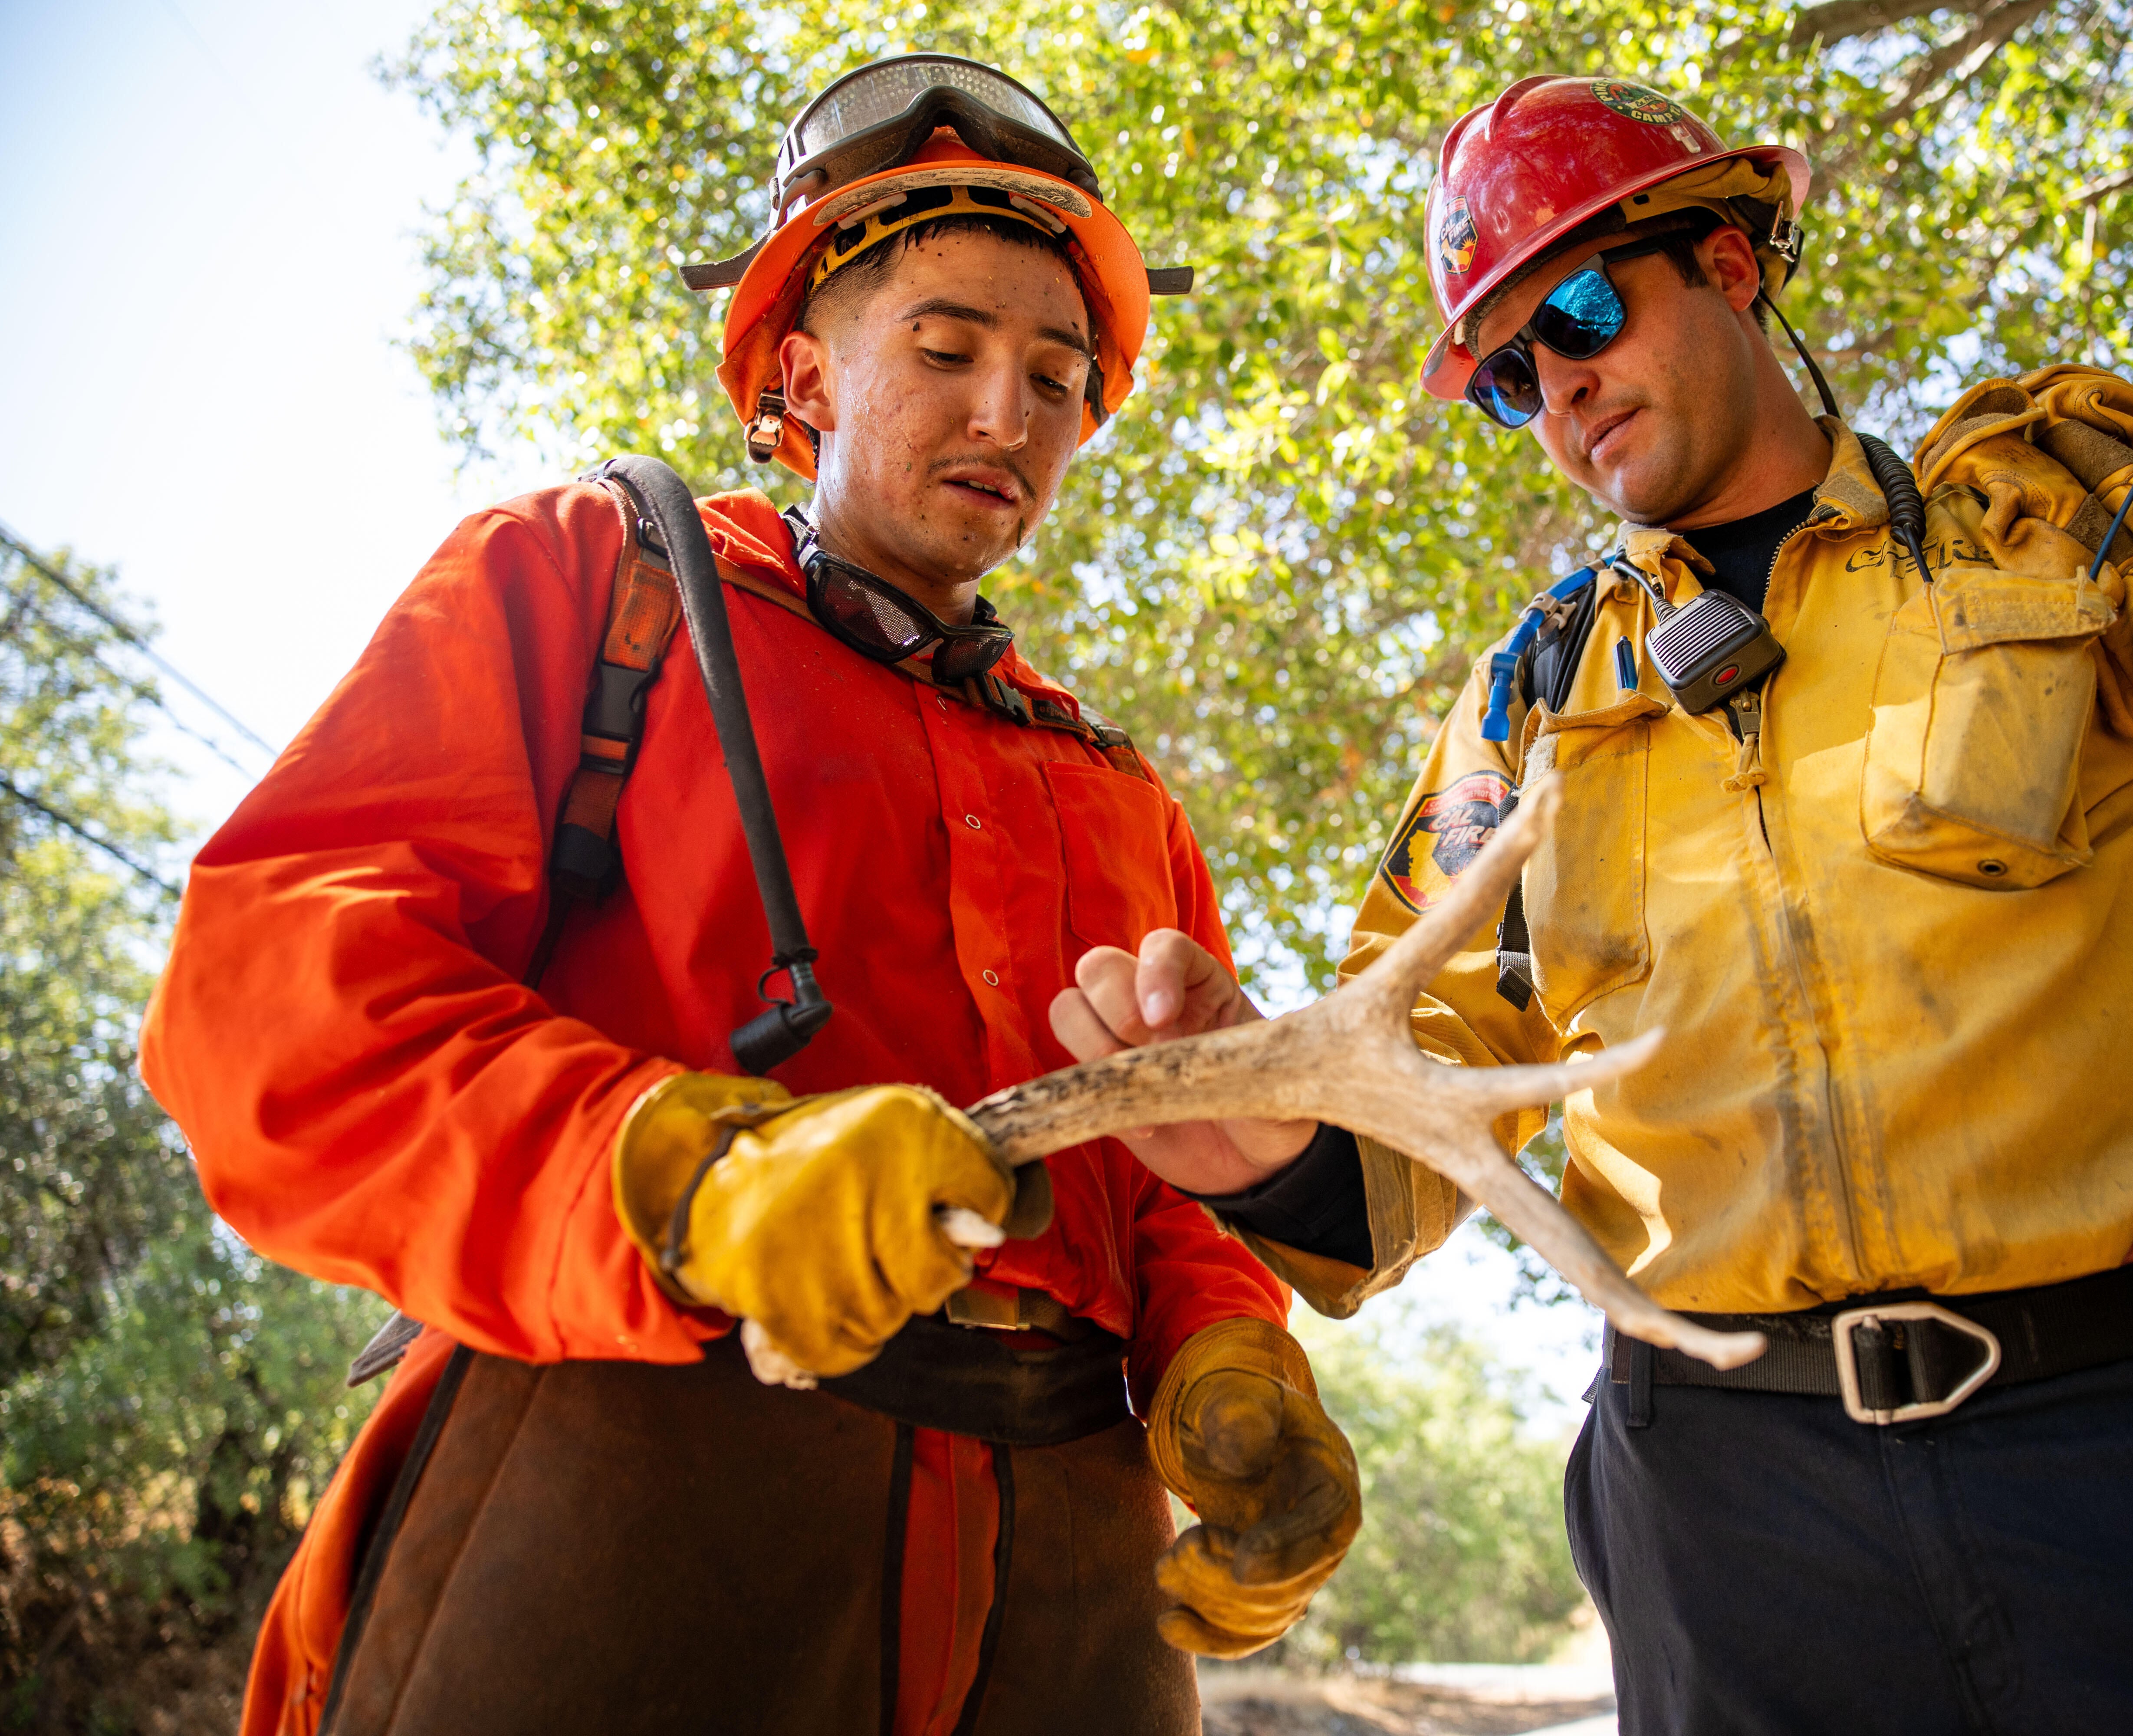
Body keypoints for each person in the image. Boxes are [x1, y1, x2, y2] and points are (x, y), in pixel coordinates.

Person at [1070, 74, 2133, 1733]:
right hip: (1732, 1530)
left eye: (1584, 309)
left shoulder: (2067, 519)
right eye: (1512, 373)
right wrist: (1272, 1132)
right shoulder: (1530, 701)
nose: (1562, 385)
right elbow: (1428, 1047)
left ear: (1733, 264)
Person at [140, 55, 1357, 1736]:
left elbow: (1161, 1175)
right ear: (804, 372)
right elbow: (274, 996)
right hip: (633, 1483)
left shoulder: (1118, 793)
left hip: (1072, 1572)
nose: (1008, 414)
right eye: (946, 350)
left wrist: (1237, 1356)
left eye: (1057, 377)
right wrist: (685, 1171)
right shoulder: (588, 579)